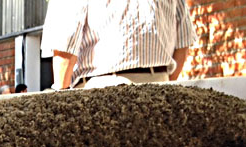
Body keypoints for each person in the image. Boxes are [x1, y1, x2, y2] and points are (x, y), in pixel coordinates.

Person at [41, 0, 196, 90]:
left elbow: (64, 49)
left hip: (102, 91)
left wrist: (61, 104)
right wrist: (161, 80)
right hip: (161, 87)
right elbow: (183, 42)